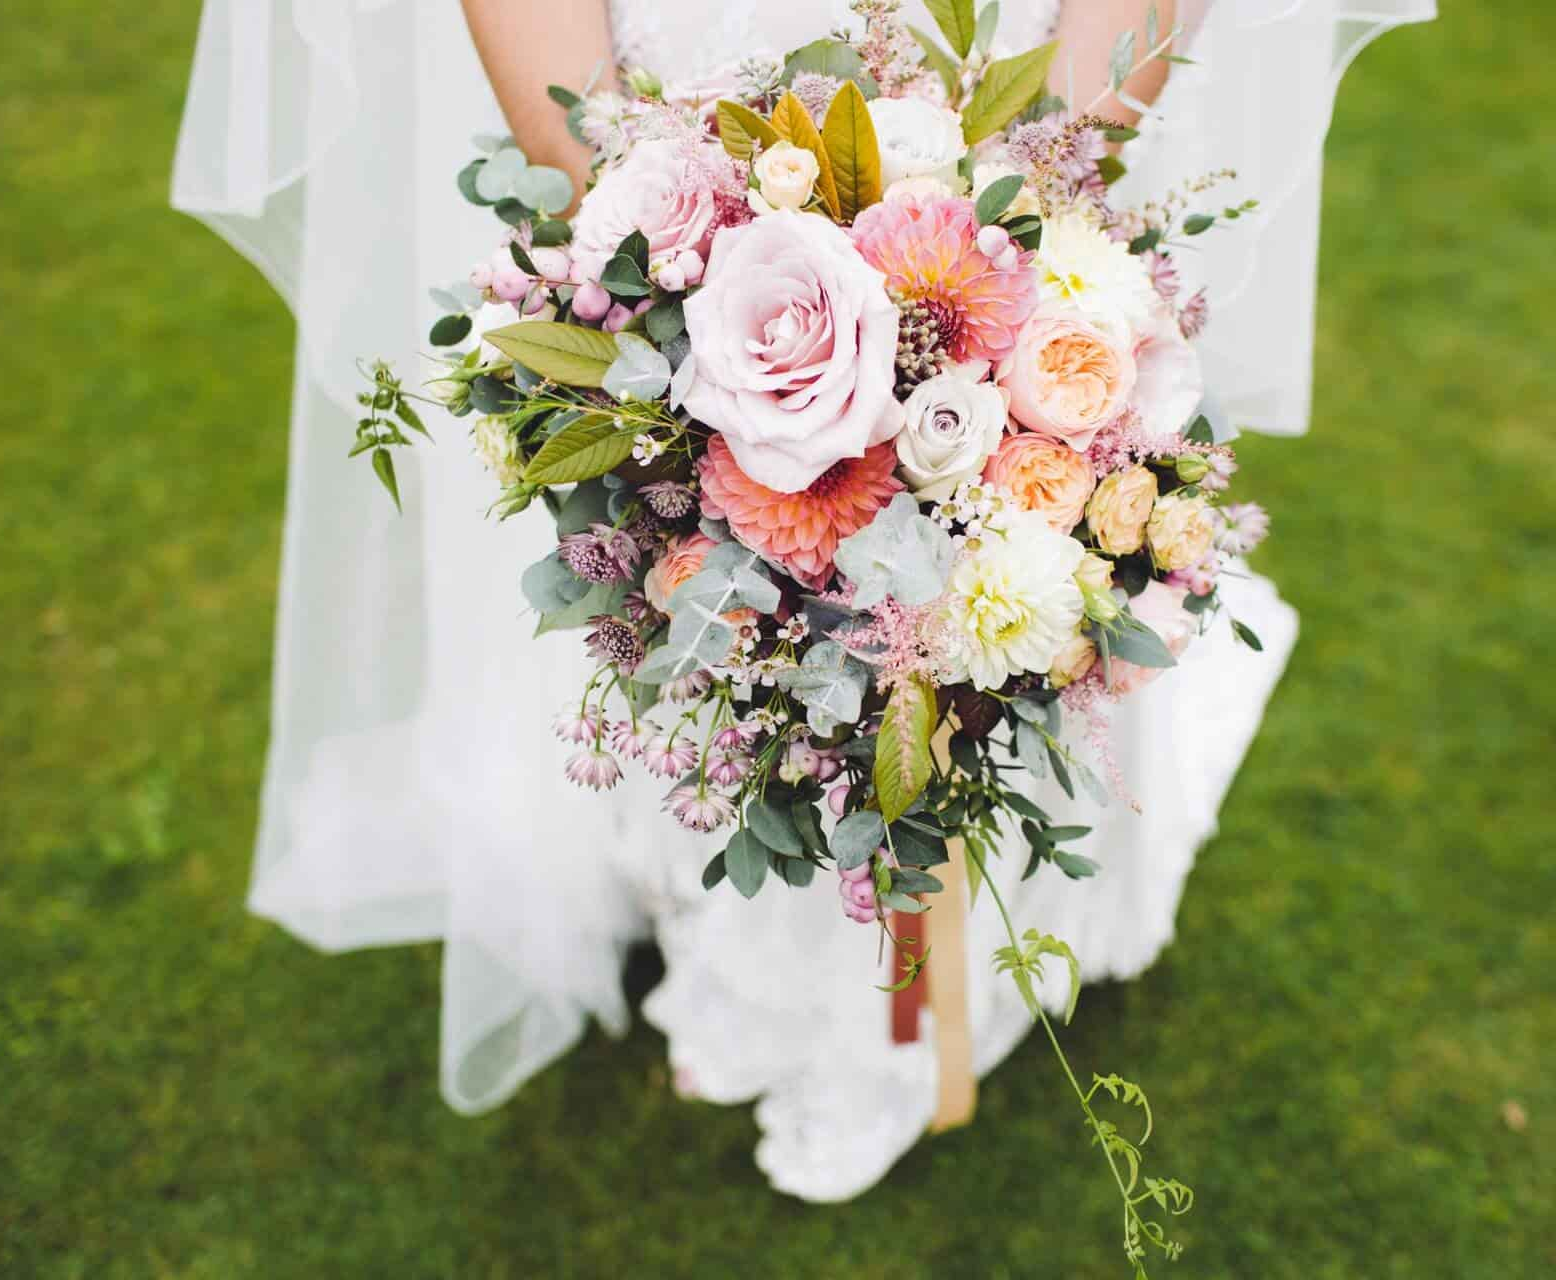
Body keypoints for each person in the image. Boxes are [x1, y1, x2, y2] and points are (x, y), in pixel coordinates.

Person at [173, 0, 1434, 1201]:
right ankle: (741, 929)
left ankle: (903, 1012)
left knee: (984, 584)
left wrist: (1038, 234)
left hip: (999, 116)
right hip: (664, 114)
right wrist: (646, 261)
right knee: (716, 588)